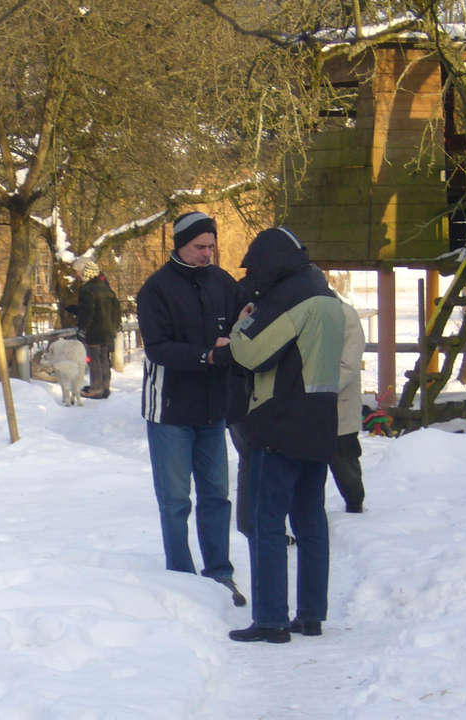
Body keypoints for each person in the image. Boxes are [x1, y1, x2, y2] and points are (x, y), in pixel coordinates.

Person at [226, 226, 344, 643]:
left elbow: (254, 354)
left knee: (266, 522)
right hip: (320, 420)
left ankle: (272, 620)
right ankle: (311, 616)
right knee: (311, 520)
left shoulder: (295, 300)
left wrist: (240, 329)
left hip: (280, 421)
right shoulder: (329, 298)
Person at [136, 211, 247, 607]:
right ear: (179, 244)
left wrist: (235, 340)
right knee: (176, 499)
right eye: (200, 246)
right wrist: (207, 356)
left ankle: (220, 574)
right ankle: (180, 578)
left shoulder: (222, 283)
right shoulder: (156, 289)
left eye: (211, 247)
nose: (207, 253)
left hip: (212, 410)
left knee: (217, 495)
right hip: (169, 410)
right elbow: (158, 349)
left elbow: (244, 323)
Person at [331, 291, 367, 513]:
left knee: (345, 463)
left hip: (339, 403)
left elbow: (349, 365)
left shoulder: (346, 315)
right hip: (312, 404)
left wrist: (319, 391)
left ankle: (355, 506)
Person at [72, 258, 121, 399]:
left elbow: (88, 312)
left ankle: (96, 388)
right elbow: (116, 310)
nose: (76, 275)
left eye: (77, 272)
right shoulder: (106, 288)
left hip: (94, 330)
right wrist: (114, 327)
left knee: (94, 360)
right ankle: (105, 387)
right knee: (104, 359)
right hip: (108, 331)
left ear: (83, 271)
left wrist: (82, 328)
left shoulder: (87, 290)